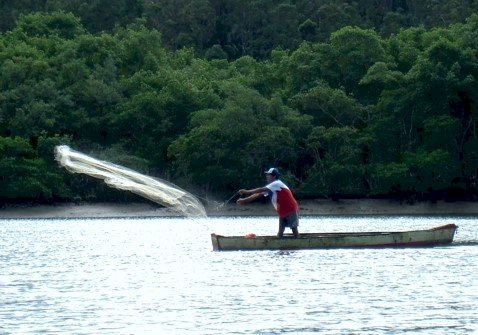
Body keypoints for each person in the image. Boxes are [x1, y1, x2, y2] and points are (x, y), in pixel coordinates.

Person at [236, 168, 299, 238]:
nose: (267, 176)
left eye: (269, 175)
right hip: (282, 210)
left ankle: (298, 242)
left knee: (294, 228)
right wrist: (244, 200)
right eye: (267, 175)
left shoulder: (277, 183)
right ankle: (279, 243)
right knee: (281, 230)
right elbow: (258, 194)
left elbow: (260, 189)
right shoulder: (271, 187)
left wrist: (246, 192)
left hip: (290, 208)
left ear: (274, 176)